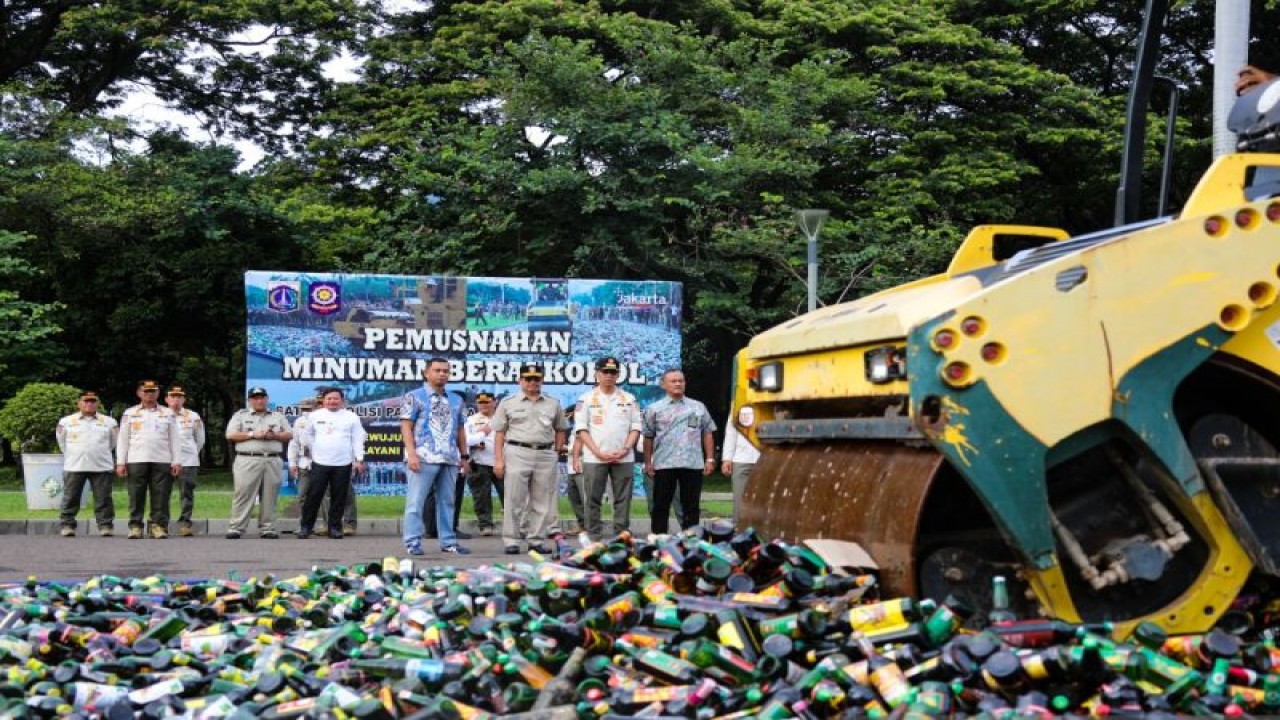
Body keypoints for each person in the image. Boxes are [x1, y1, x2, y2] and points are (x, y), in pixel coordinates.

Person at [493, 362, 568, 555]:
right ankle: (511, 540)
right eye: (528, 378)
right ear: (520, 380)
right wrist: (499, 460)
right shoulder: (508, 402)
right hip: (517, 451)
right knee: (514, 499)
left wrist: (557, 450)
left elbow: (561, 428)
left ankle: (536, 539)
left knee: (542, 501)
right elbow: (499, 433)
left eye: (536, 379)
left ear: (542, 380)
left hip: (544, 453)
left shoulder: (552, 403)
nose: (532, 382)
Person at [400, 358, 471, 556]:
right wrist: (411, 453)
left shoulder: (457, 400)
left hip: (449, 457)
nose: (442, 374)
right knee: (416, 502)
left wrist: (464, 456)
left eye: (446, 371)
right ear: (426, 373)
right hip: (423, 456)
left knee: (448, 501)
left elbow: (460, 429)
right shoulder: (414, 396)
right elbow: (406, 426)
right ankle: (413, 541)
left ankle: (448, 541)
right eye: (437, 370)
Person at [572, 356, 642, 540]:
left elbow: (635, 427)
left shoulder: (628, 398)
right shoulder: (585, 399)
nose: (609, 375)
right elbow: (581, 429)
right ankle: (594, 535)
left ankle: (621, 534)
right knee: (593, 499)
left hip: (623, 457)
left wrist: (626, 448)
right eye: (605, 372)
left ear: (618, 375)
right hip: (595, 457)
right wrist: (598, 452)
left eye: (613, 372)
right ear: (597, 374)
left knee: (622, 498)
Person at [642, 369, 716, 534]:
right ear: (663, 385)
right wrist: (648, 462)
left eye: (681, 381)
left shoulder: (698, 406)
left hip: (692, 463)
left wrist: (710, 459)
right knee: (660, 506)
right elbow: (648, 436)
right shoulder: (654, 409)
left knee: (691, 506)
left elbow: (708, 432)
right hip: (664, 463)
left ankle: (692, 540)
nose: (678, 384)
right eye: (673, 381)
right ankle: (660, 540)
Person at [116, 379, 182, 539]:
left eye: (153, 391)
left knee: (161, 494)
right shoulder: (130, 413)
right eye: (146, 391)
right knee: (136, 494)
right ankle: (135, 526)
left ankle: (158, 526)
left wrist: (176, 460)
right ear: (139, 393)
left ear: (158, 393)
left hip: (162, 459)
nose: (150, 394)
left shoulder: (167, 413)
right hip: (136, 459)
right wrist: (120, 462)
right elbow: (123, 439)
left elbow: (174, 438)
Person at [225, 386, 293, 539]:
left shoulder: (277, 416)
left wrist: (275, 435)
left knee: (270, 495)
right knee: (243, 493)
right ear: (250, 400)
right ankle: (236, 527)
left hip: (272, 459)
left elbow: (289, 434)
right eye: (255, 398)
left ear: (267, 399)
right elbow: (230, 435)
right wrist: (252, 434)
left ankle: (267, 528)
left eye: (262, 397)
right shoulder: (240, 415)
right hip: (248, 458)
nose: (259, 400)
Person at [301, 387, 366, 540]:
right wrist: (314, 448)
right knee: (313, 496)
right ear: (323, 401)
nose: (332, 401)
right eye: (329, 399)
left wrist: (359, 459)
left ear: (342, 401)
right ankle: (306, 527)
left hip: (343, 462)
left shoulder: (351, 417)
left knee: (339, 497)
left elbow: (358, 438)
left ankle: (335, 528)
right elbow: (308, 434)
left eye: (336, 398)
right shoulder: (315, 416)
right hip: (320, 462)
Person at [55, 391, 118, 537]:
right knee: (71, 497)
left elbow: (113, 443)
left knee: (104, 498)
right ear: (78, 403)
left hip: (101, 465)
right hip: (75, 465)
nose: (89, 404)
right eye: (86, 401)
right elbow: (62, 443)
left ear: (98, 403)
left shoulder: (109, 422)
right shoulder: (66, 422)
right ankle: (67, 525)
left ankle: (105, 526)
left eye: (93, 401)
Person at [166, 386, 206, 537]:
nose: (176, 399)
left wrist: (190, 453)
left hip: (187, 461)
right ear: (167, 399)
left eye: (179, 397)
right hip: (165, 460)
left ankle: (185, 523)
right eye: (173, 396)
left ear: (184, 399)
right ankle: (161, 523)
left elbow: (200, 439)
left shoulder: (193, 416)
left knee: (186, 493)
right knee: (162, 493)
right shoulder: (161, 415)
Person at [463, 390, 503, 536]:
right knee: (481, 497)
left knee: (510, 495)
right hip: (479, 461)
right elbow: (464, 440)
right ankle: (485, 525)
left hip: (502, 462)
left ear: (494, 402)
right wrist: (473, 445)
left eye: (487, 402)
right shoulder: (470, 420)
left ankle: (516, 526)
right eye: (480, 402)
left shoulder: (503, 418)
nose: (484, 405)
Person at [720, 414, 761, 526]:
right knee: (739, 499)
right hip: (741, 458)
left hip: (765, 457)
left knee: (763, 499)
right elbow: (731, 433)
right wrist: (727, 459)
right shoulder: (738, 406)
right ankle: (739, 530)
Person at [287, 396, 319, 528]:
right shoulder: (299, 421)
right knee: (302, 495)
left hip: (322, 462)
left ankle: (325, 525)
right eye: (303, 409)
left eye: (309, 408)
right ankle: (304, 525)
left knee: (323, 497)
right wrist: (292, 463)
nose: (306, 411)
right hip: (304, 462)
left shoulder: (323, 420)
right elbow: (294, 443)